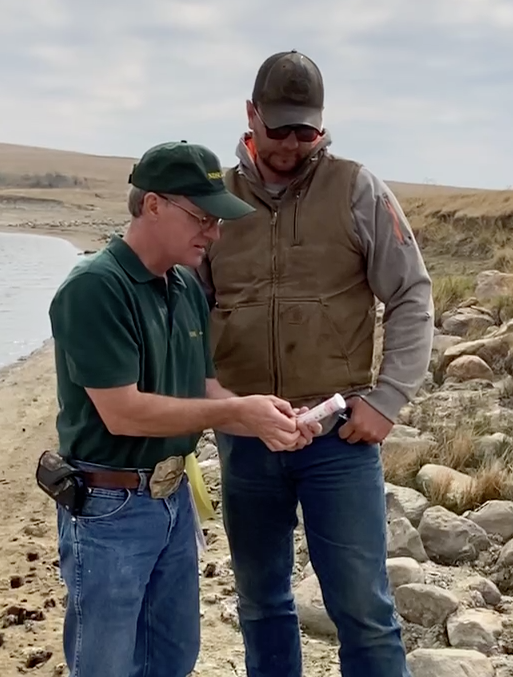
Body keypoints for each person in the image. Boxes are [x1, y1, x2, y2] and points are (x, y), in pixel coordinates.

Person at [195, 50, 435, 677]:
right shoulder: (215, 201)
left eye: (307, 130)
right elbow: (185, 316)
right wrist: (215, 403)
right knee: (261, 603)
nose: (294, 144)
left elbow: (411, 293)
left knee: (363, 609)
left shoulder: (358, 188)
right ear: (251, 116)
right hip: (246, 437)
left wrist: (386, 401)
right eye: (280, 129)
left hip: (340, 436)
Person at [45, 139, 322, 677]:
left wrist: (260, 414)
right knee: (104, 665)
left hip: (172, 504)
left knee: (172, 658)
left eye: (217, 220)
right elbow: (123, 413)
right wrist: (234, 415)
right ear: (152, 205)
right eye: (202, 217)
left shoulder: (184, 288)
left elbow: (203, 390)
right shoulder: (95, 289)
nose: (214, 233)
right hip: (109, 508)